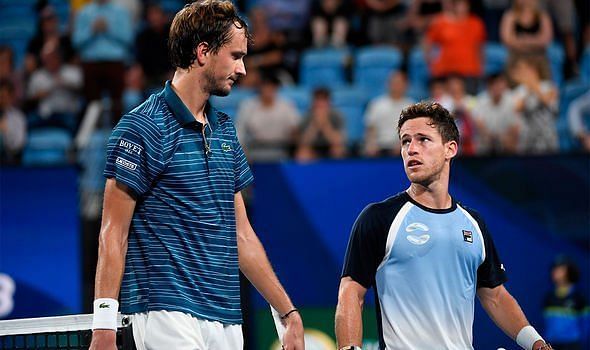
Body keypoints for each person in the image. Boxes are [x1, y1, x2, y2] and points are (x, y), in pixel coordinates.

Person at [88, 2, 305, 350]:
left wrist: (287, 311)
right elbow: (113, 232)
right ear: (203, 51)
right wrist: (103, 327)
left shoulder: (225, 131)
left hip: (225, 315)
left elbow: (242, 236)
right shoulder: (140, 128)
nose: (244, 69)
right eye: (235, 56)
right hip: (164, 310)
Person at [335, 101, 552, 350]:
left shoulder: (474, 224)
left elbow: (495, 295)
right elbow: (351, 291)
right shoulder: (378, 218)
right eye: (405, 141)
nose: (411, 149)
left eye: (423, 140)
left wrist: (536, 344)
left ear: (450, 149)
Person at [236, 73, 300, 161]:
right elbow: (240, 132)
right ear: (260, 87)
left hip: (282, 152)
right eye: (266, 86)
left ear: (276, 88)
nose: (268, 89)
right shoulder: (248, 105)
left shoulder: (286, 106)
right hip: (254, 152)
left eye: (272, 86)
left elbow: (296, 130)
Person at [363, 70, 414, 157]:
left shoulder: (411, 106)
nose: (396, 86)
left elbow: (413, 130)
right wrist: (371, 144)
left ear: (406, 85)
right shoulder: (377, 104)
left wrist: (402, 143)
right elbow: (370, 129)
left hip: (402, 148)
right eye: (393, 83)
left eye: (399, 83)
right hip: (379, 147)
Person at [543, 256, 588, 349]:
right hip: (551, 344)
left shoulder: (579, 298)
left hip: (571, 345)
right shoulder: (548, 298)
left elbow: (586, 325)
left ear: (570, 272)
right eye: (555, 269)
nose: (556, 272)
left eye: (561, 269)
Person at [296, 87, 346, 160]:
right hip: (313, 148)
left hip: (330, 147)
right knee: (303, 152)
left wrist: (325, 124)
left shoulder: (337, 116)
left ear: (329, 102)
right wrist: (315, 125)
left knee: (337, 149)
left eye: (323, 100)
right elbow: (303, 142)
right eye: (317, 100)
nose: (320, 103)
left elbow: (338, 141)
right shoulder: (306, 116)